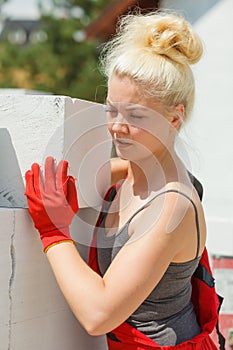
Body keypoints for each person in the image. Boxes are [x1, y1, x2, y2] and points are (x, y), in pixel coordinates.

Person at [25, 10, 220, 350]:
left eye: (136, 115)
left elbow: (99, 315)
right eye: (111, 109)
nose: (116, 126)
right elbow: (112, 169)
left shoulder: (170, 206)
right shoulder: (136, 169)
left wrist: (52, 230)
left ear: (175, 117)